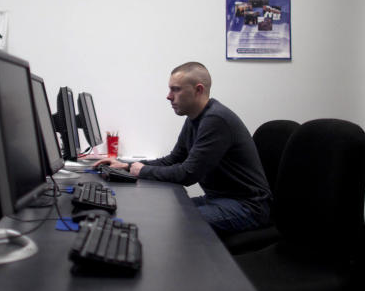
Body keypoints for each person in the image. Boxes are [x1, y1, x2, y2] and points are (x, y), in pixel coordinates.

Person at [96, 61, 271, 234]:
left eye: (176, 89)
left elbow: (187, 174)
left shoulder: (216, 120)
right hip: (219, 200)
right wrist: (126, 166)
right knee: (160, 212)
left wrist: (142, 171)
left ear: (198, 90)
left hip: (249, 207)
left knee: (172, 221)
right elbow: (173, 160)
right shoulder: (195, 118)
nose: (168, 96)